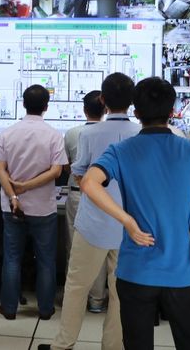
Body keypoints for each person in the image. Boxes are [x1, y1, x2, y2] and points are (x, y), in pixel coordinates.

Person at [80, 77, 190, 350]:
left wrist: (127, 220)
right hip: (181, 270)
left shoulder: (120, 151)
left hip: (136, 269)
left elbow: (89, 183)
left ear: (136, 112)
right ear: (172, 112)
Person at [42, 74, 139, 350]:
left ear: (103, 100)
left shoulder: (89, 133)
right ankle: (113, 346)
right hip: (129, 225)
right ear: (132, 101)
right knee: (120, 291)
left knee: (76, 286)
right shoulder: (139, 134)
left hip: (93, 222)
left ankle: (64, 344)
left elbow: (80, 173)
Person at [0, 84, 68, 320]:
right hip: (43, 208)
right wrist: (28, 186)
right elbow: (56, 171)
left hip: (12, 207)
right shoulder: (54, 135)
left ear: (23, 104)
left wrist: (15, 194)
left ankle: (9, 308)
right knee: (46, 261)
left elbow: (0, 169)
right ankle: (45, 309)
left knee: (12, 259)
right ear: (46, 106)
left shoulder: (7, 133)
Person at [62, 90, 104, 310]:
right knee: (101, 247)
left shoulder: (71, 133)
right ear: (105, 109)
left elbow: (67, 166)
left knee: (74, 247)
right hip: (105, 197)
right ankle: (97, 299)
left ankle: (74, 301)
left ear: (84, 109)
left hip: (78, 193)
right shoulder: (112, 133)